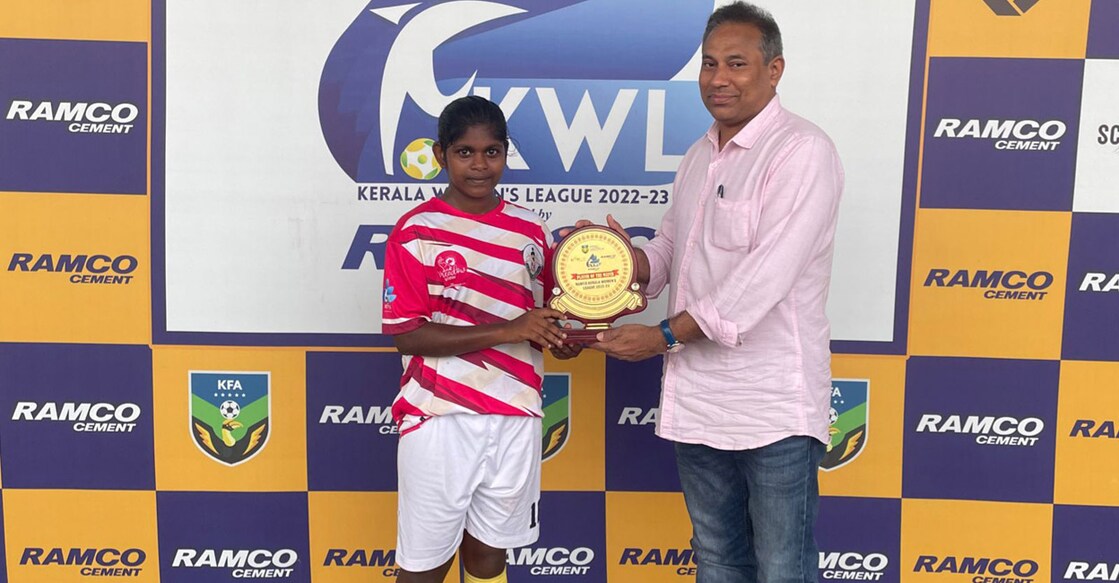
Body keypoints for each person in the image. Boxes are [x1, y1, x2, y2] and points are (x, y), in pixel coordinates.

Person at [585, 3, 845, 582]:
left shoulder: (802, 151)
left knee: (783, 568)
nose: (718, 78)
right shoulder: (699, 156)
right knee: (718, 560)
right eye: (708, 64)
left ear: (774, 70)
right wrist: (619, 268)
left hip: (773, 403)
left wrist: (660, 336)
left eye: (736, 63)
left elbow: (765, 278)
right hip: (700, 401)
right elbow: (672, 252)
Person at [381, 95, 582, 583]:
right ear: (439, 154)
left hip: (515, 414)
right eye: (464, 152)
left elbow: (548, 318)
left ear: (506, 153)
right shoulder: (416, 232)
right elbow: (407, 334)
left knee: (490, 559)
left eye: (491, 152)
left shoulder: (532, 230)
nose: (479, 165)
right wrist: (511, 329)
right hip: (440, 416)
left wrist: (563, 338)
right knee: (424, 566)